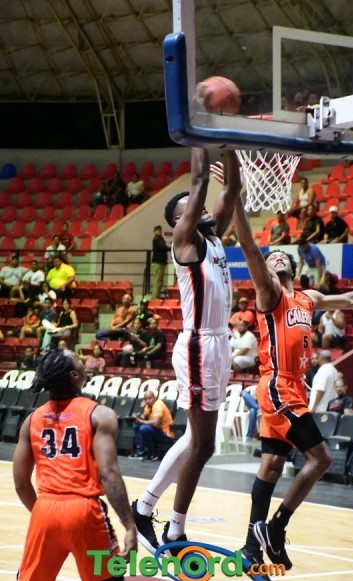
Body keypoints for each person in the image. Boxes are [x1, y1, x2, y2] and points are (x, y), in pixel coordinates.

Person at [218, 161, 353, 581]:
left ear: (290, 266)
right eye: (268, 256)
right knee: (322, 458)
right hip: (277, 385)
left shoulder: (307, 297)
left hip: (292, 386)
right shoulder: (269, 293)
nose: (272, 256)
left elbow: (351, 299)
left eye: (279, 255)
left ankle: (251, 551)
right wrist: (235, 200)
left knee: (272, 466)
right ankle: (276, 528)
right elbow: (249, 248)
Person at [131, 148, 241, 557]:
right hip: (199, 345)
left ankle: (144, 509)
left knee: (197, 438)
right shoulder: (185, 242)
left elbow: (231, 189)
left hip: (219, 343)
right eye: (192, 209)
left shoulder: (213, 238)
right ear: (181, 221)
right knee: (204, 445)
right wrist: (200, 134)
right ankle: (174, 528)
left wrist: (229, 144)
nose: (203, 210)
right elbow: (199, 182)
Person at [13, 348, 137, 581]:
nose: (83, 362)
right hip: (84, 511)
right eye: (79, 360)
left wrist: (44, 514)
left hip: (44, 510)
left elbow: (20, 482)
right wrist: (130, 525)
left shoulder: (32, 419)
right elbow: (109, 474)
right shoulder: (100, 414)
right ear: (74, 375)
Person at [130, 390, 174, 460]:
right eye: (146, 399)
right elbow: (144, 416)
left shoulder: (158, 406)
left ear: (154, 397)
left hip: (166, 433)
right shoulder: (148, 406)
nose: (147, 401)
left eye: (149, 398)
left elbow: (155, 423)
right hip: (157, 430)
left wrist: (141, 421)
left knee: (144, 428)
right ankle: (140, 451)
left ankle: (152, 453)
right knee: (135, 425)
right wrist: (136, 417)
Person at [151, 225, 169, 299]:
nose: (159, 231)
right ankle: (155, 297)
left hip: (160, 262)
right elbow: (163, 247)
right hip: (158, 262)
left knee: (159, 281)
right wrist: (171, 248)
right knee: (157, 281)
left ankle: (156, 296)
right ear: (155, 231)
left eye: (160, 230)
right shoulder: (157, 239)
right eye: (157, 230)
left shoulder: (160, 239)